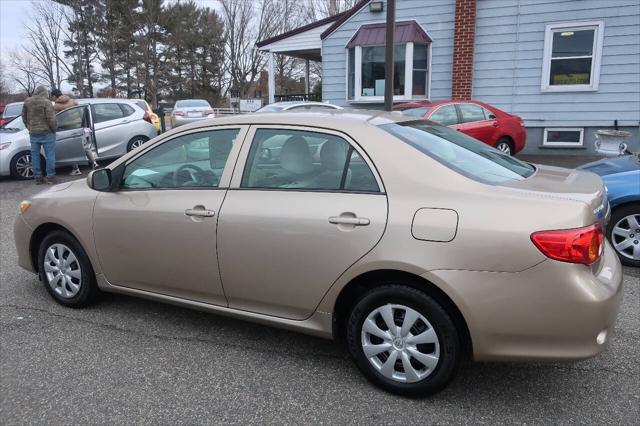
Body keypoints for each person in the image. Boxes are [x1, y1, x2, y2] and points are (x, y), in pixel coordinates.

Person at [22, 86, 57, 185]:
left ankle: (38, 177)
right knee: (50, 155)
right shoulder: (46, 102)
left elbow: (24, 116)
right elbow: (51, 119)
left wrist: (29, 127)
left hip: (33, 133)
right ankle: (50, 177)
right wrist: (54, 130)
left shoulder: (27, 101)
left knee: (35, 156)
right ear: (45, 93)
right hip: (47, 133)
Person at [51, 89, 84, 175]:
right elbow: (81, 112)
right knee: (83, 146)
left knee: (71, 149)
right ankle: (94, 163)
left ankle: (76, 169)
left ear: (55, 96)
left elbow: (54, 119)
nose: (52, 98)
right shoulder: (72, 100)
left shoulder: (56, 106)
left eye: (52, 96)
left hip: (67, 128)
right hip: (78, 126)